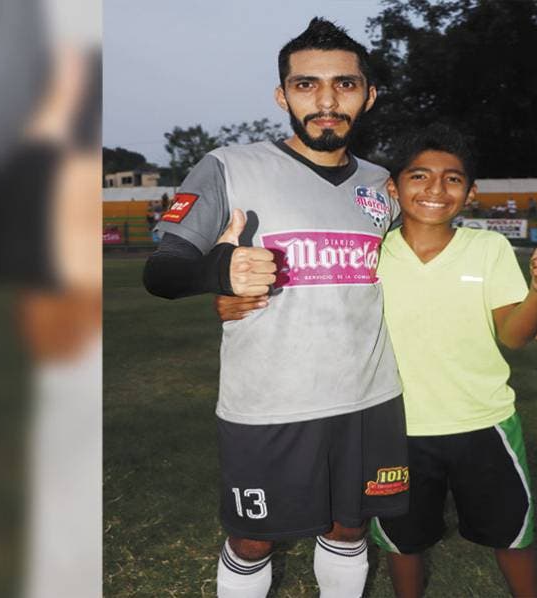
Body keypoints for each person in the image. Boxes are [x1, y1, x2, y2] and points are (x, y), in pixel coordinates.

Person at [141, 18, 408, 597]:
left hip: (371, 397)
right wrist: (220, 271)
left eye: (344, 84)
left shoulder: (383, 184)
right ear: (282, 95)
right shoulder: (229, 167)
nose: (327, 101)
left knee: (350, 527)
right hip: (268, 403)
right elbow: (161, 272)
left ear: (368, 95)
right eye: (307, 85)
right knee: (253, 540)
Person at [366, 125, 537, 598]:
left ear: (471, 192)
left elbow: (512, 335)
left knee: (511, 536)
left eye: (453, 179)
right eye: (419, 175)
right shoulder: (370, 254)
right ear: (393, 187)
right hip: (396, 427)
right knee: (403, 541)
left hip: (484, 421)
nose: (436, 189)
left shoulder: (488, 248)